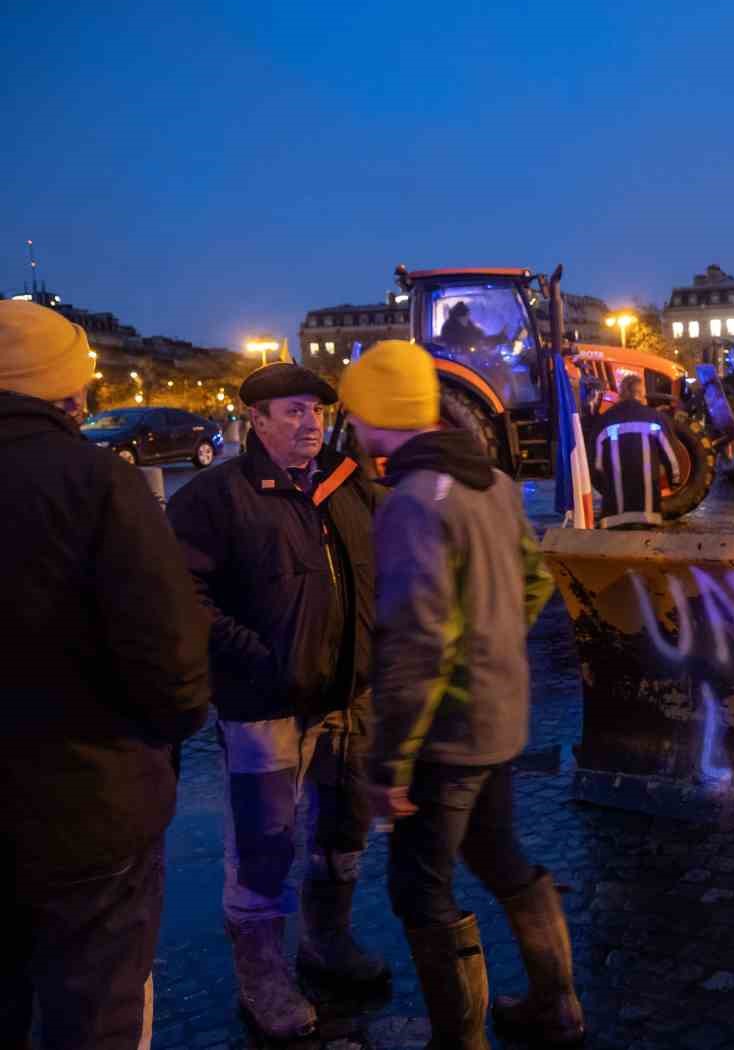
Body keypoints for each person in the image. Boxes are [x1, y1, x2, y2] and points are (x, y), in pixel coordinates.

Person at [338, 341, 584, 1048]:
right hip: (501, 716)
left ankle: (461, 1041)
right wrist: (496, 646)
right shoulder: (495, 484)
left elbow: (418, 642)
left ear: (382, 414)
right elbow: (534, 582)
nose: (352, 424)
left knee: (419, 889)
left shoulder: (413, 502)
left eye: (357, 410)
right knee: (501, 856)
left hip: (445, 735)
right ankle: (557, 1005)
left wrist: (389, 765)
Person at [0, 300, 211, 1049]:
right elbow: (175, 670)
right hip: (89, 810)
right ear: (66, 390)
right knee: (95, 1016)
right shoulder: (98, 484)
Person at [167, 361, 388, 1040]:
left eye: (316, 411)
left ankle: (326, 939)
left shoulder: (349, 485)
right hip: (262, 706)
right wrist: (255, 657)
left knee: (342, 829)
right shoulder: (214, 497)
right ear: (255, 421)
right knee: (265, 844)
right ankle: (261, 976)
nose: (310, 423)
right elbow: (183, 595)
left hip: (349, 696)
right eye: (292, 411)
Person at [591, 374, 681, 529]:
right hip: (648, 515)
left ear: (621, 393)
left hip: (614, 516)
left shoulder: (605, 420)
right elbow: (671, 457)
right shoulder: (656, 418)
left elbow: (596, 465)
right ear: (641, 393)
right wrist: (675, 482)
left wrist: (606, 488)